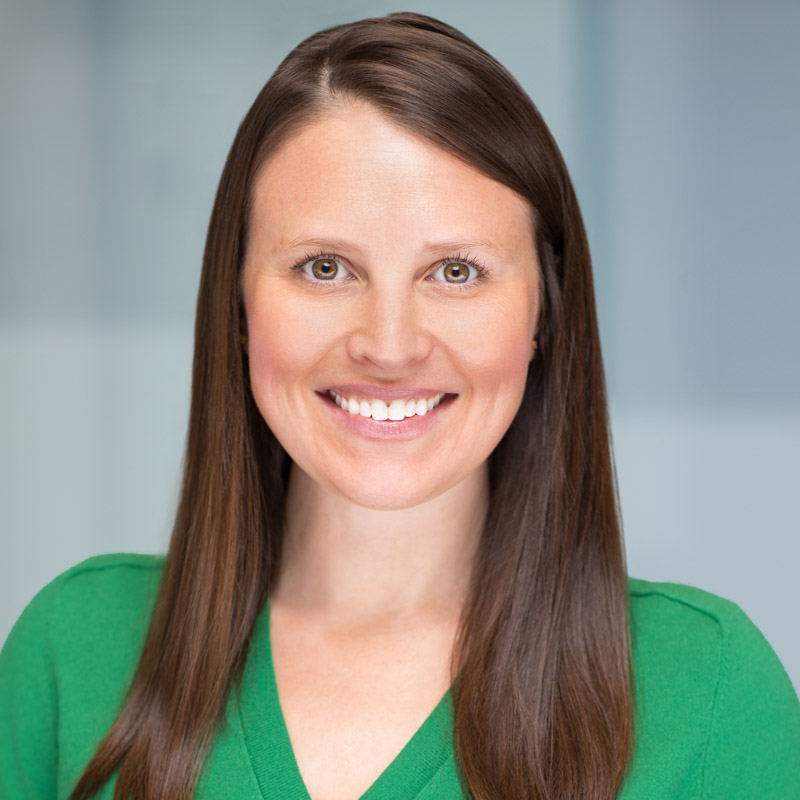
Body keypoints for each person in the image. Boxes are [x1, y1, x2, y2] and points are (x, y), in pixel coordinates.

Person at [1, 11, 798, 800]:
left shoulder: (714, 695)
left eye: (455, 272)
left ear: (544, 314)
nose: (388, 345)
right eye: (323, 268)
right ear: (238, 305)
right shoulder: (72, 652)